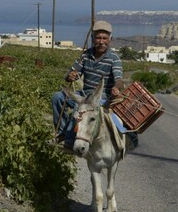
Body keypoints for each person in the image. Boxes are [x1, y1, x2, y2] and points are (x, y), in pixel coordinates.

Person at [51, 20, 125, 149]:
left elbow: (119, 78)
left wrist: (116, 87)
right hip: (84, 95)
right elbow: (71, 74)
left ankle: (70, 140)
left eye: (104, 38)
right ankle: (62, 132)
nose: (101, 41)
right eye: (98, 38)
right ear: (92, 38)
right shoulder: (85, 55)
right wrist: (70, 76)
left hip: (101, 98)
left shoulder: (114, 58)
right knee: (57, 97)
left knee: (79, 108)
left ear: (110, 39)